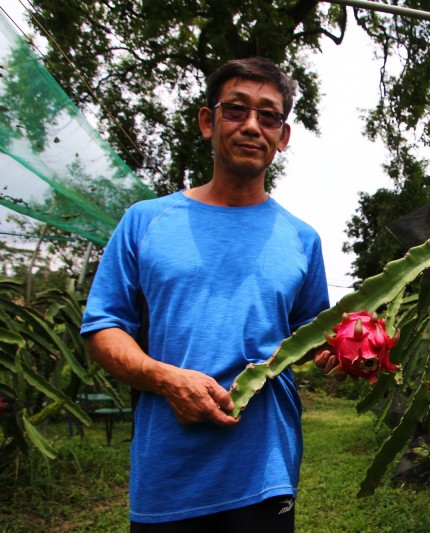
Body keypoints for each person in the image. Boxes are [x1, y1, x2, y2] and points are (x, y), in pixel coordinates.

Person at [81, 57, 330, 532]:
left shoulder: (302, 239)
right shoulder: (145, 221)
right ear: (207, 120)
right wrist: (165, 379)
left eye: (269, 116)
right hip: (168, 472)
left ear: (284, 135)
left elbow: (312, 336)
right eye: (236, 109)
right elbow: (102, 328)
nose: (252, 126)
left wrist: (349, 351)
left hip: (264, 472)